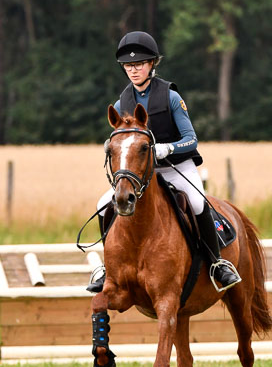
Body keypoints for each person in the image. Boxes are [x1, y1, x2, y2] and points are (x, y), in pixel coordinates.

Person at [87, 30, 241, 293]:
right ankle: (107, 268)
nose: (133, 70)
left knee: (196, 201)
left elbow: (191, 139)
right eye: (128, 66)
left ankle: (216, 263)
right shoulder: (122, 102)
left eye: (139, 64)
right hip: (140, 173)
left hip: (176, 167)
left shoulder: (170, 96)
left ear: (152, 64)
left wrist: (167, 148)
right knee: (104, 204)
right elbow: (120, 138)